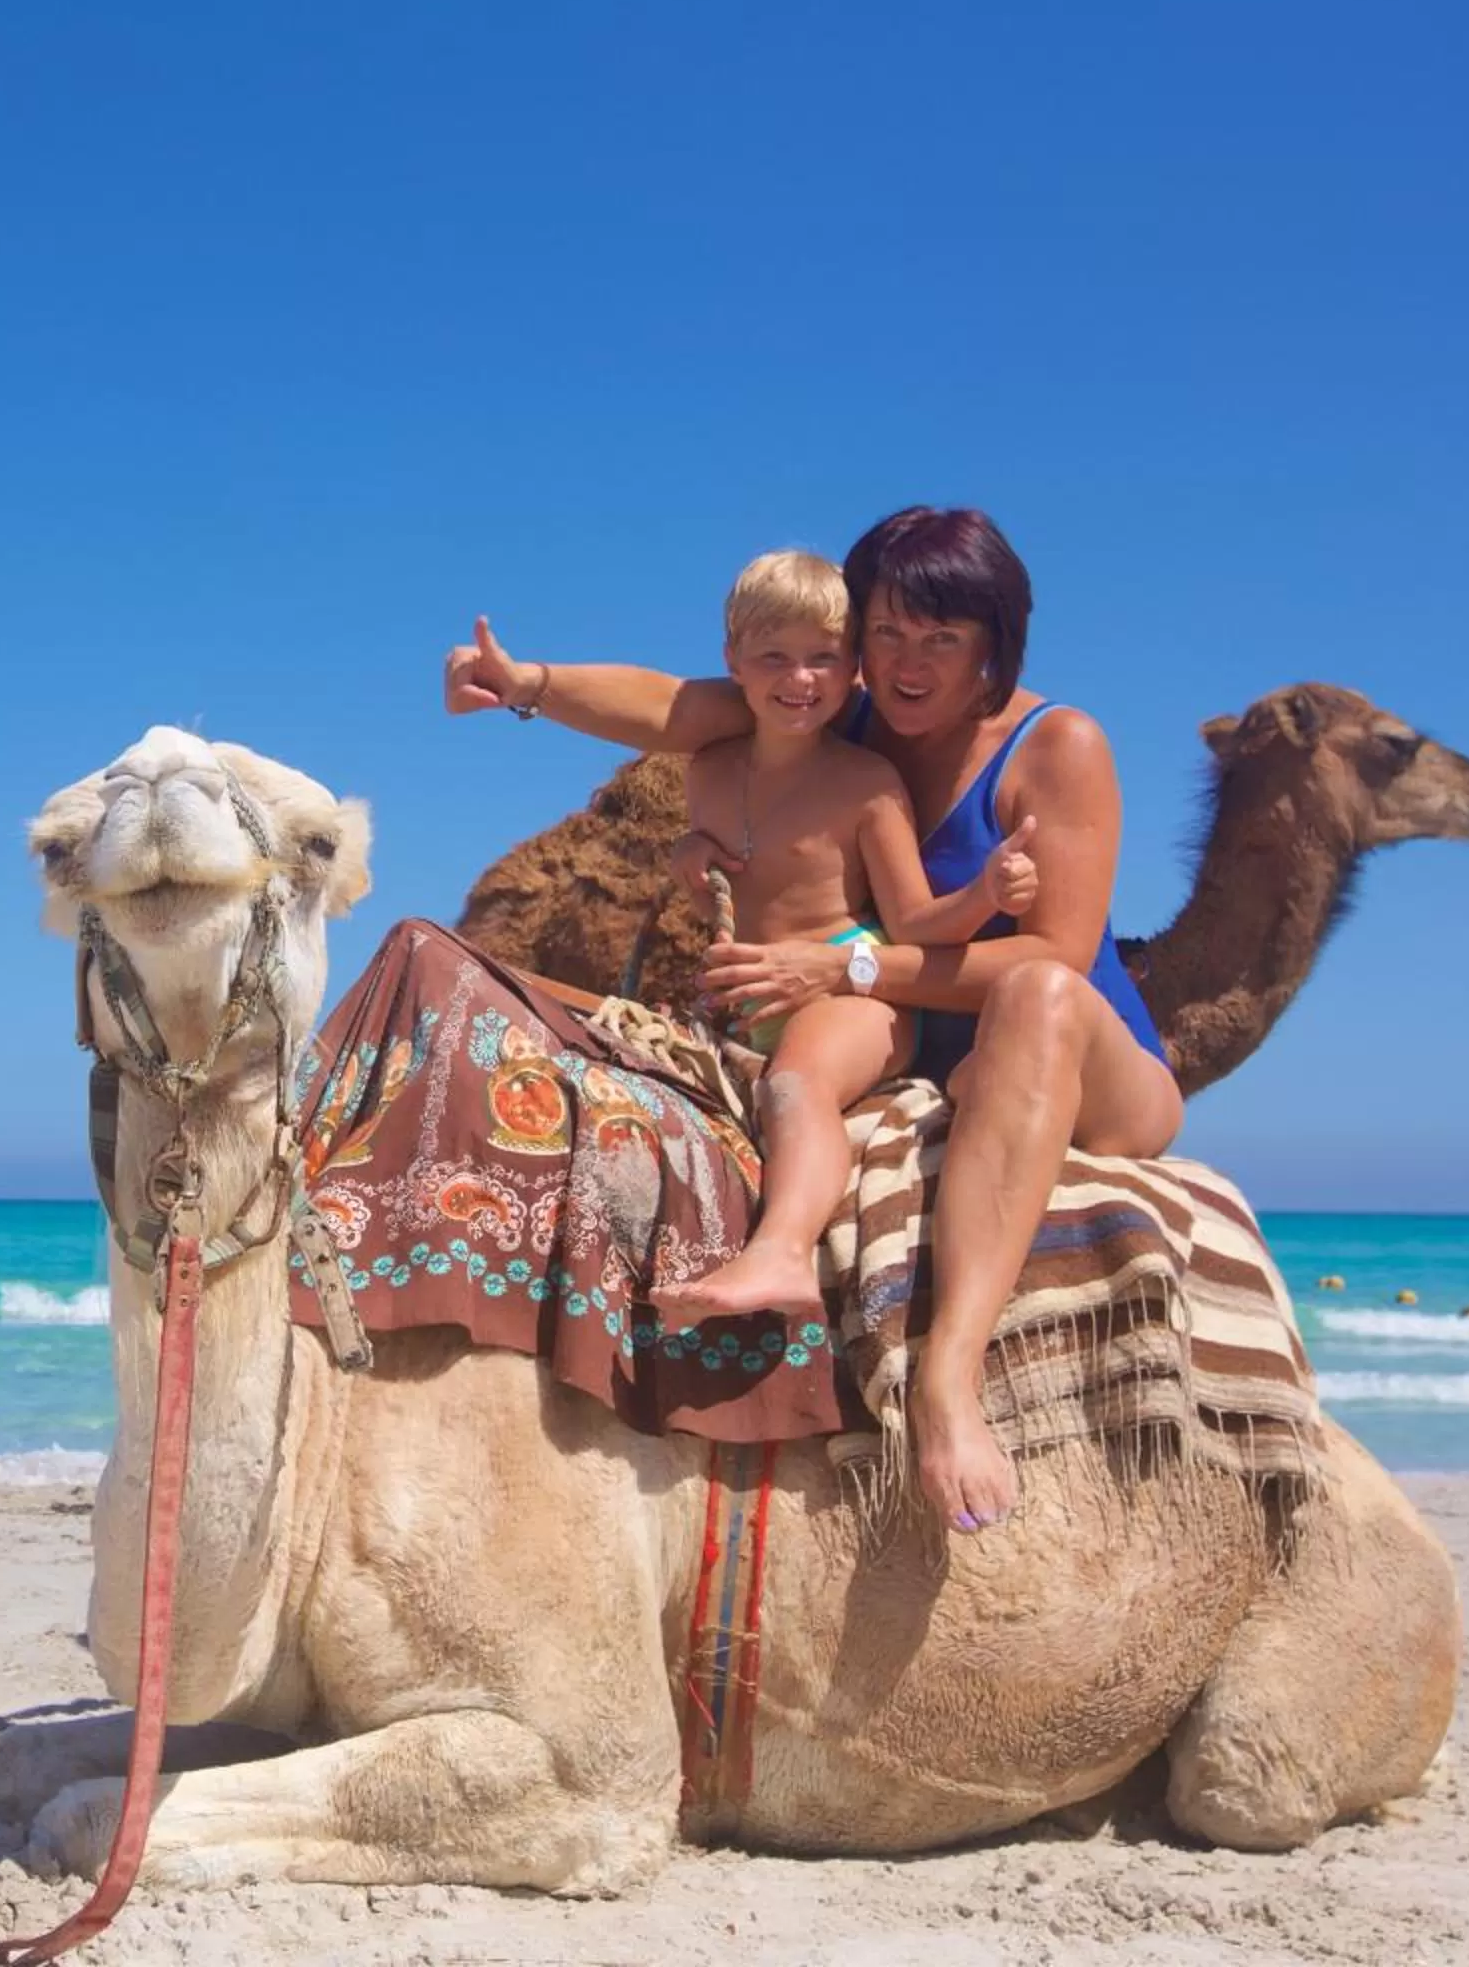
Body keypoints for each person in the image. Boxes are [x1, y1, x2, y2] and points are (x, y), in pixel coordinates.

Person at [444, 507, 1181, 1534]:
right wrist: (521, 683)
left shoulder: (1056, 744)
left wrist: (846, 962)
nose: (908, 662)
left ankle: (947, 1383)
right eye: (888, 633)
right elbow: (671, 708)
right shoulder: (839, 712)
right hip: (932, 1056)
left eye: (942, 639)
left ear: (994, 643)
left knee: (1038, 995)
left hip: (1088, 1063)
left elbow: (1052, 953)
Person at [646, 549, 1037, 1322]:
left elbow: (919, 924)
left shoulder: (868, 784)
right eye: (775, 658)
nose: (801, 680)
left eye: (824, 659)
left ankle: (782, 1253)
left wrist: (985, 892)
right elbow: (730, 888)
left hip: (858, 991)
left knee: (798, 1083)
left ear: (853, 666)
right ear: (733, 662)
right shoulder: (709, 773)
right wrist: (690, 855)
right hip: (752, 997)